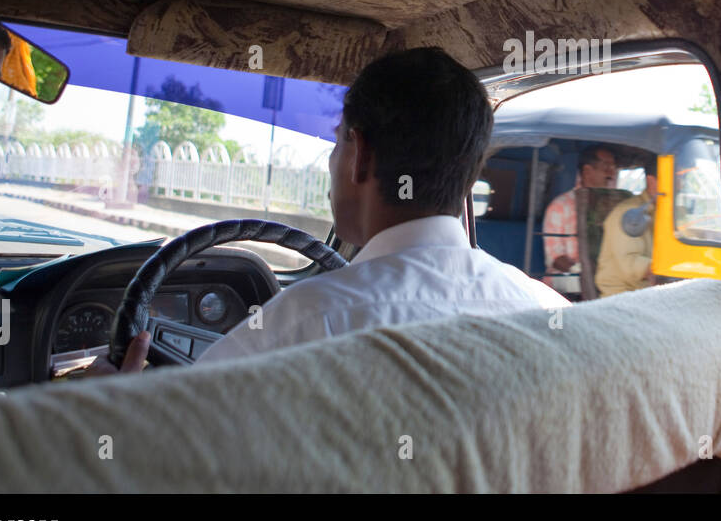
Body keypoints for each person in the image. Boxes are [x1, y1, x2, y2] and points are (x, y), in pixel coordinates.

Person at [101, 47, 571, 371]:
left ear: (360, 154)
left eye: (335, 142)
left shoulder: (304, 324)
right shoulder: (545, 310)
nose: (331, 161)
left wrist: (109, 409)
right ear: (471, 170)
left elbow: (173, 458)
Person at [541, 144, 617, 294]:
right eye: (606, 167)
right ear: (588, 171)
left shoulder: (615, 207)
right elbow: (556, 258)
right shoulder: (560, 207)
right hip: (568, 277)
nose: (612, 174)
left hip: (605, 275)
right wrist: (585, 272)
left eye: (614, 168)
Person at [595, 160, 658, 297]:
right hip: (622, 298)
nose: (680, 185)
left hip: (651, 295)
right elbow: (631, 264)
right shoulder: (630, 214)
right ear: (652, 181)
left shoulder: (665, 213)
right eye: (676, 179)